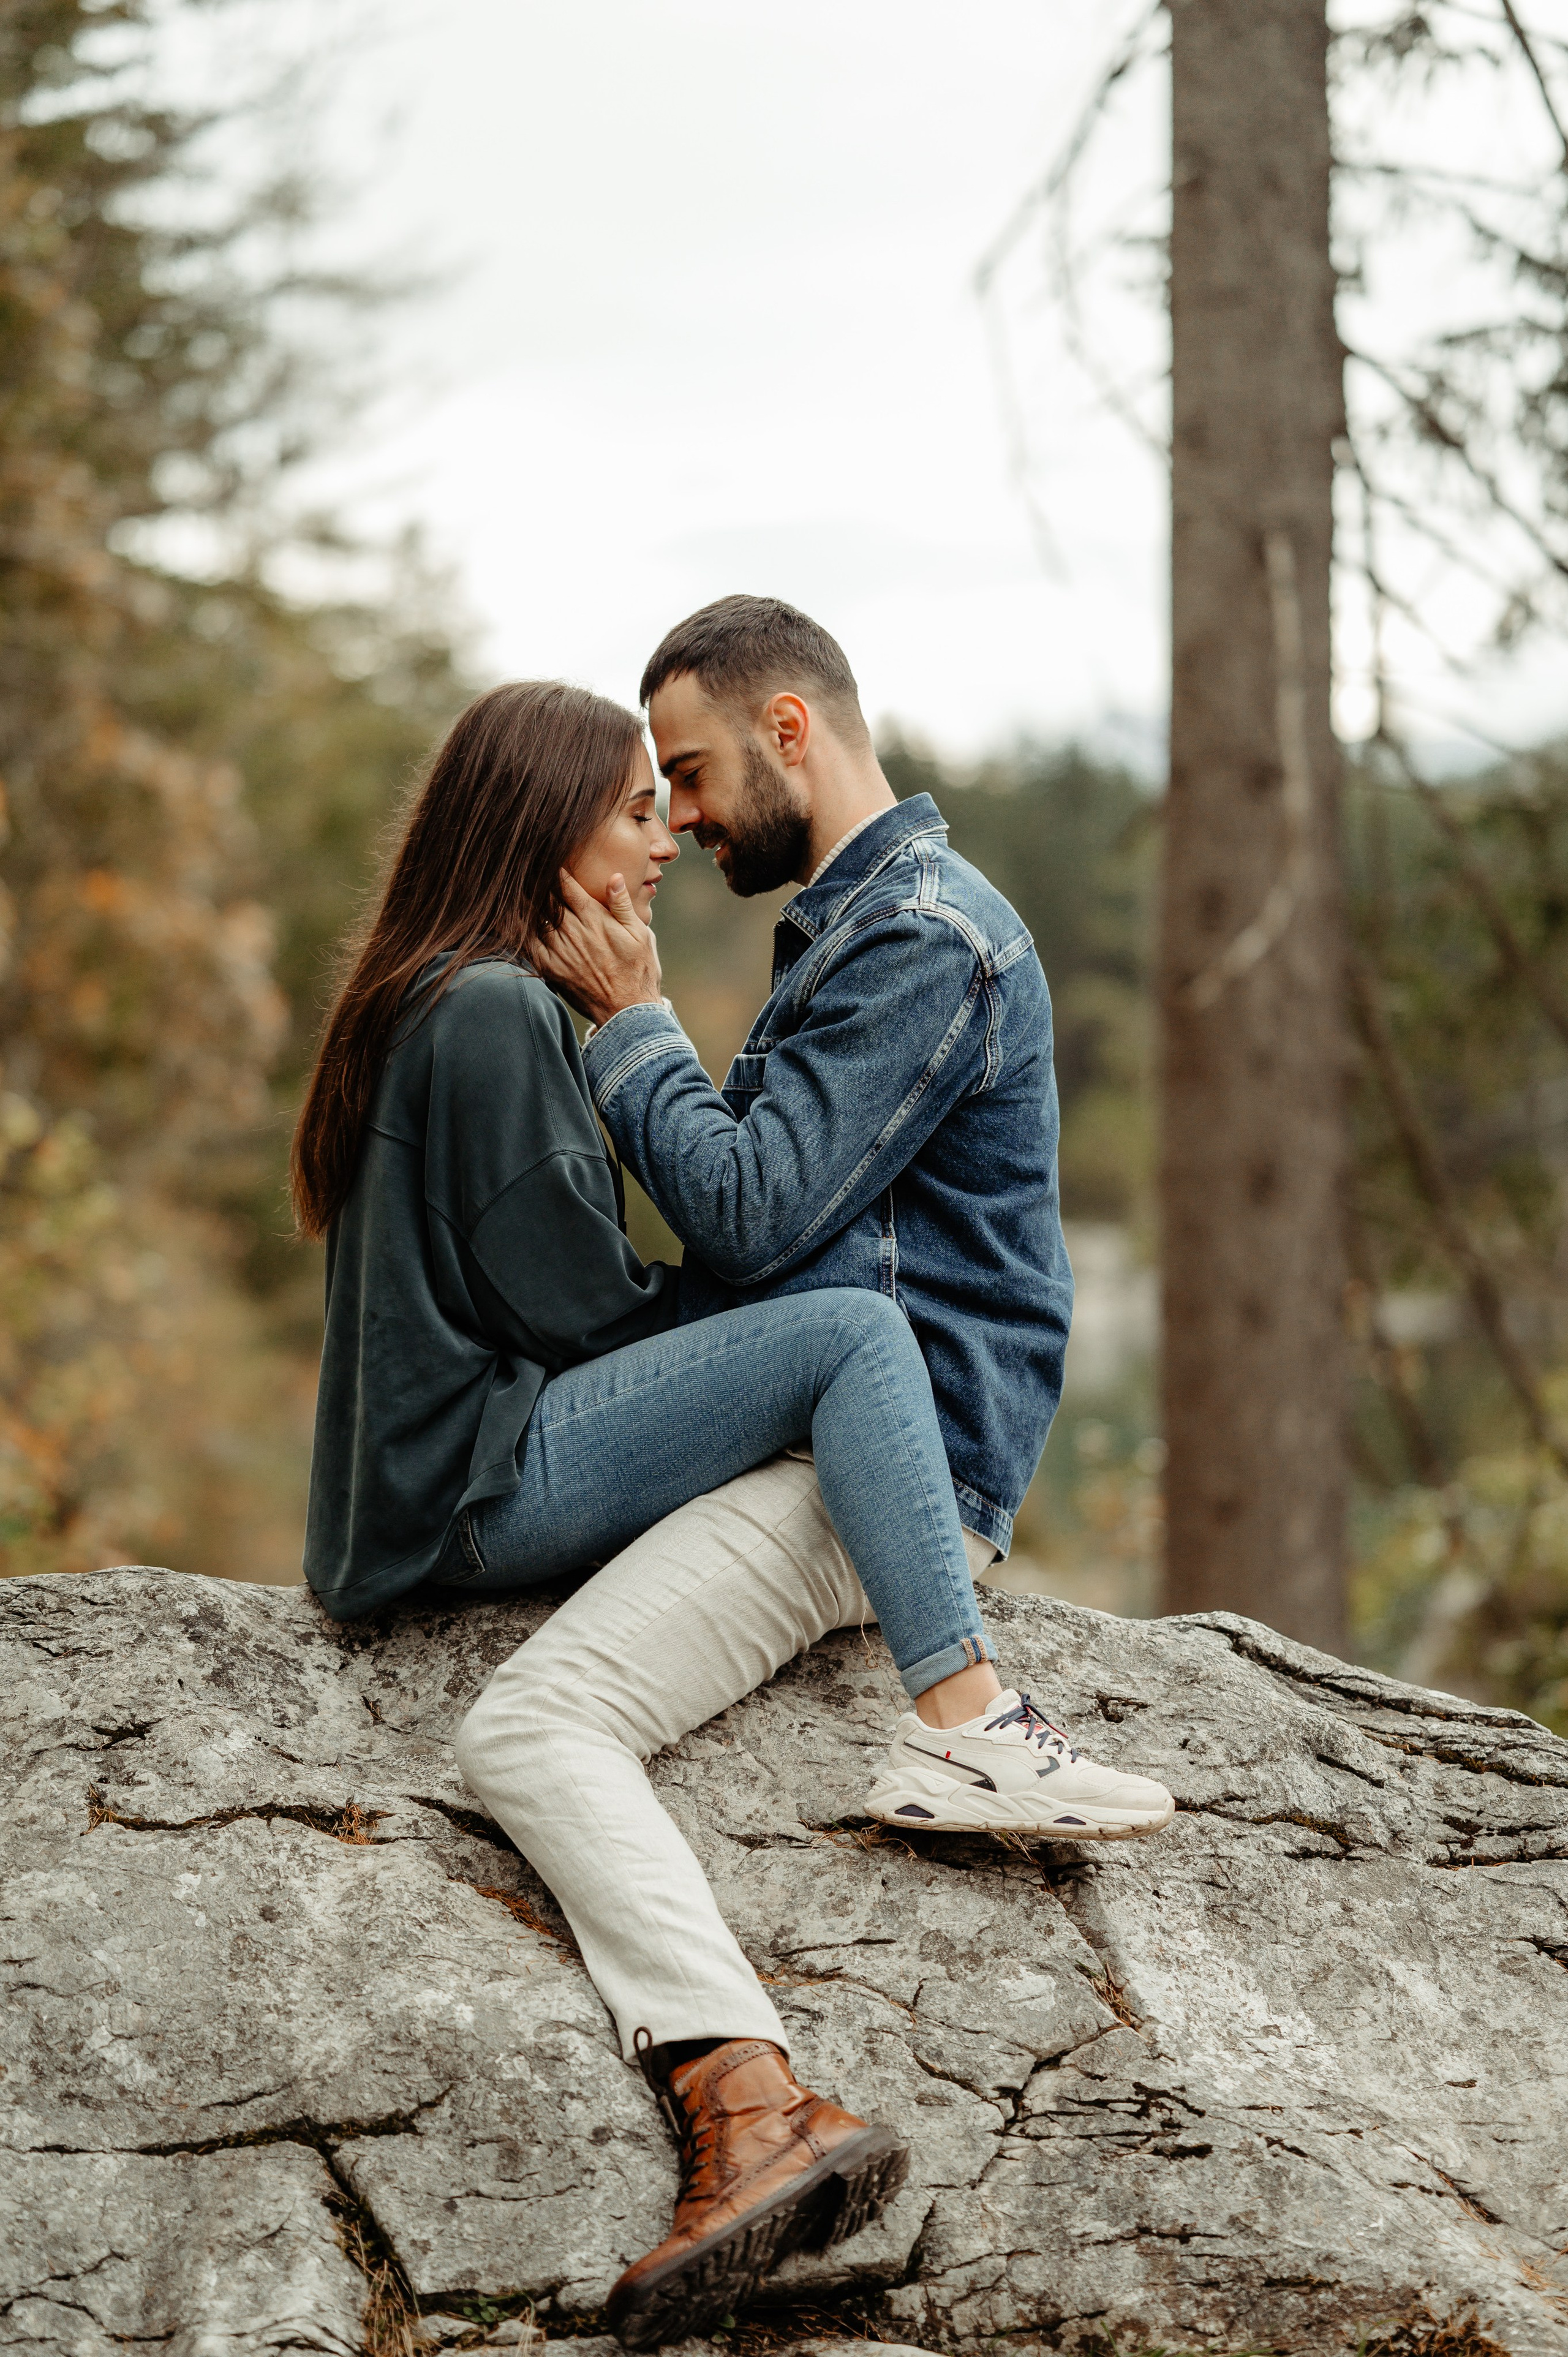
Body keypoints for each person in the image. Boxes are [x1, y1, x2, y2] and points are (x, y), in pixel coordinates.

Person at [292, 676, 1169, 2348]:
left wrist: (651, 1125)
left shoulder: (877, 938)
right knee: (846, 1335)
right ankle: (967, 1720)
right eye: (640, 805)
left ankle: (751, 2096)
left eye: (674, 792)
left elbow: (646, 1269)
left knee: (830, 1347)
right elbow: (595, 1301)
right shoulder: (492, 1014)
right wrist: (740, 1347)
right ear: (545, 828)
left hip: (522, 1466)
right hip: (483, 1476)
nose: (668, 842)